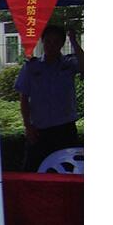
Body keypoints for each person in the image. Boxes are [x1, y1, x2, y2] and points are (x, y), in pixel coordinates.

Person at [15, 25, 84, 172]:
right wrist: (28, 126)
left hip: (65, 129)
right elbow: (24, 98)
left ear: (61, 44)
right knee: (32, 172)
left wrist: (74, 41)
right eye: (48, 41)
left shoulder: (69, 64)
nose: (51, 46)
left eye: (56, 42)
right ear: (42, 42)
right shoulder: (32, 67)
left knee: (67, 171)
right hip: (40, 130)